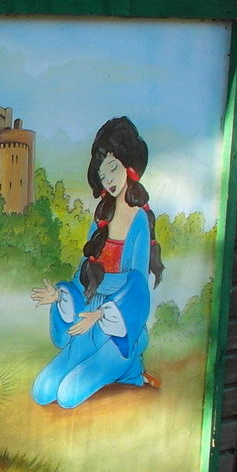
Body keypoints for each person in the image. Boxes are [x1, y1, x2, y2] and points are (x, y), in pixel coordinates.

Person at [31, 116, 163, 409]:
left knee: (67, 396)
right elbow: (84, 275)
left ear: (129, 166)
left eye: (113, 169)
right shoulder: (100, 221)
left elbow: (137, 286)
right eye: (103, 176)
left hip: (117, 324)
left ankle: (130, 364)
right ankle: (123, 367)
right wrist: (61, 296)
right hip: (88, 315)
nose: (109, 181)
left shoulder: (139, 220)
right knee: (42, 390)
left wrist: (102, 314)